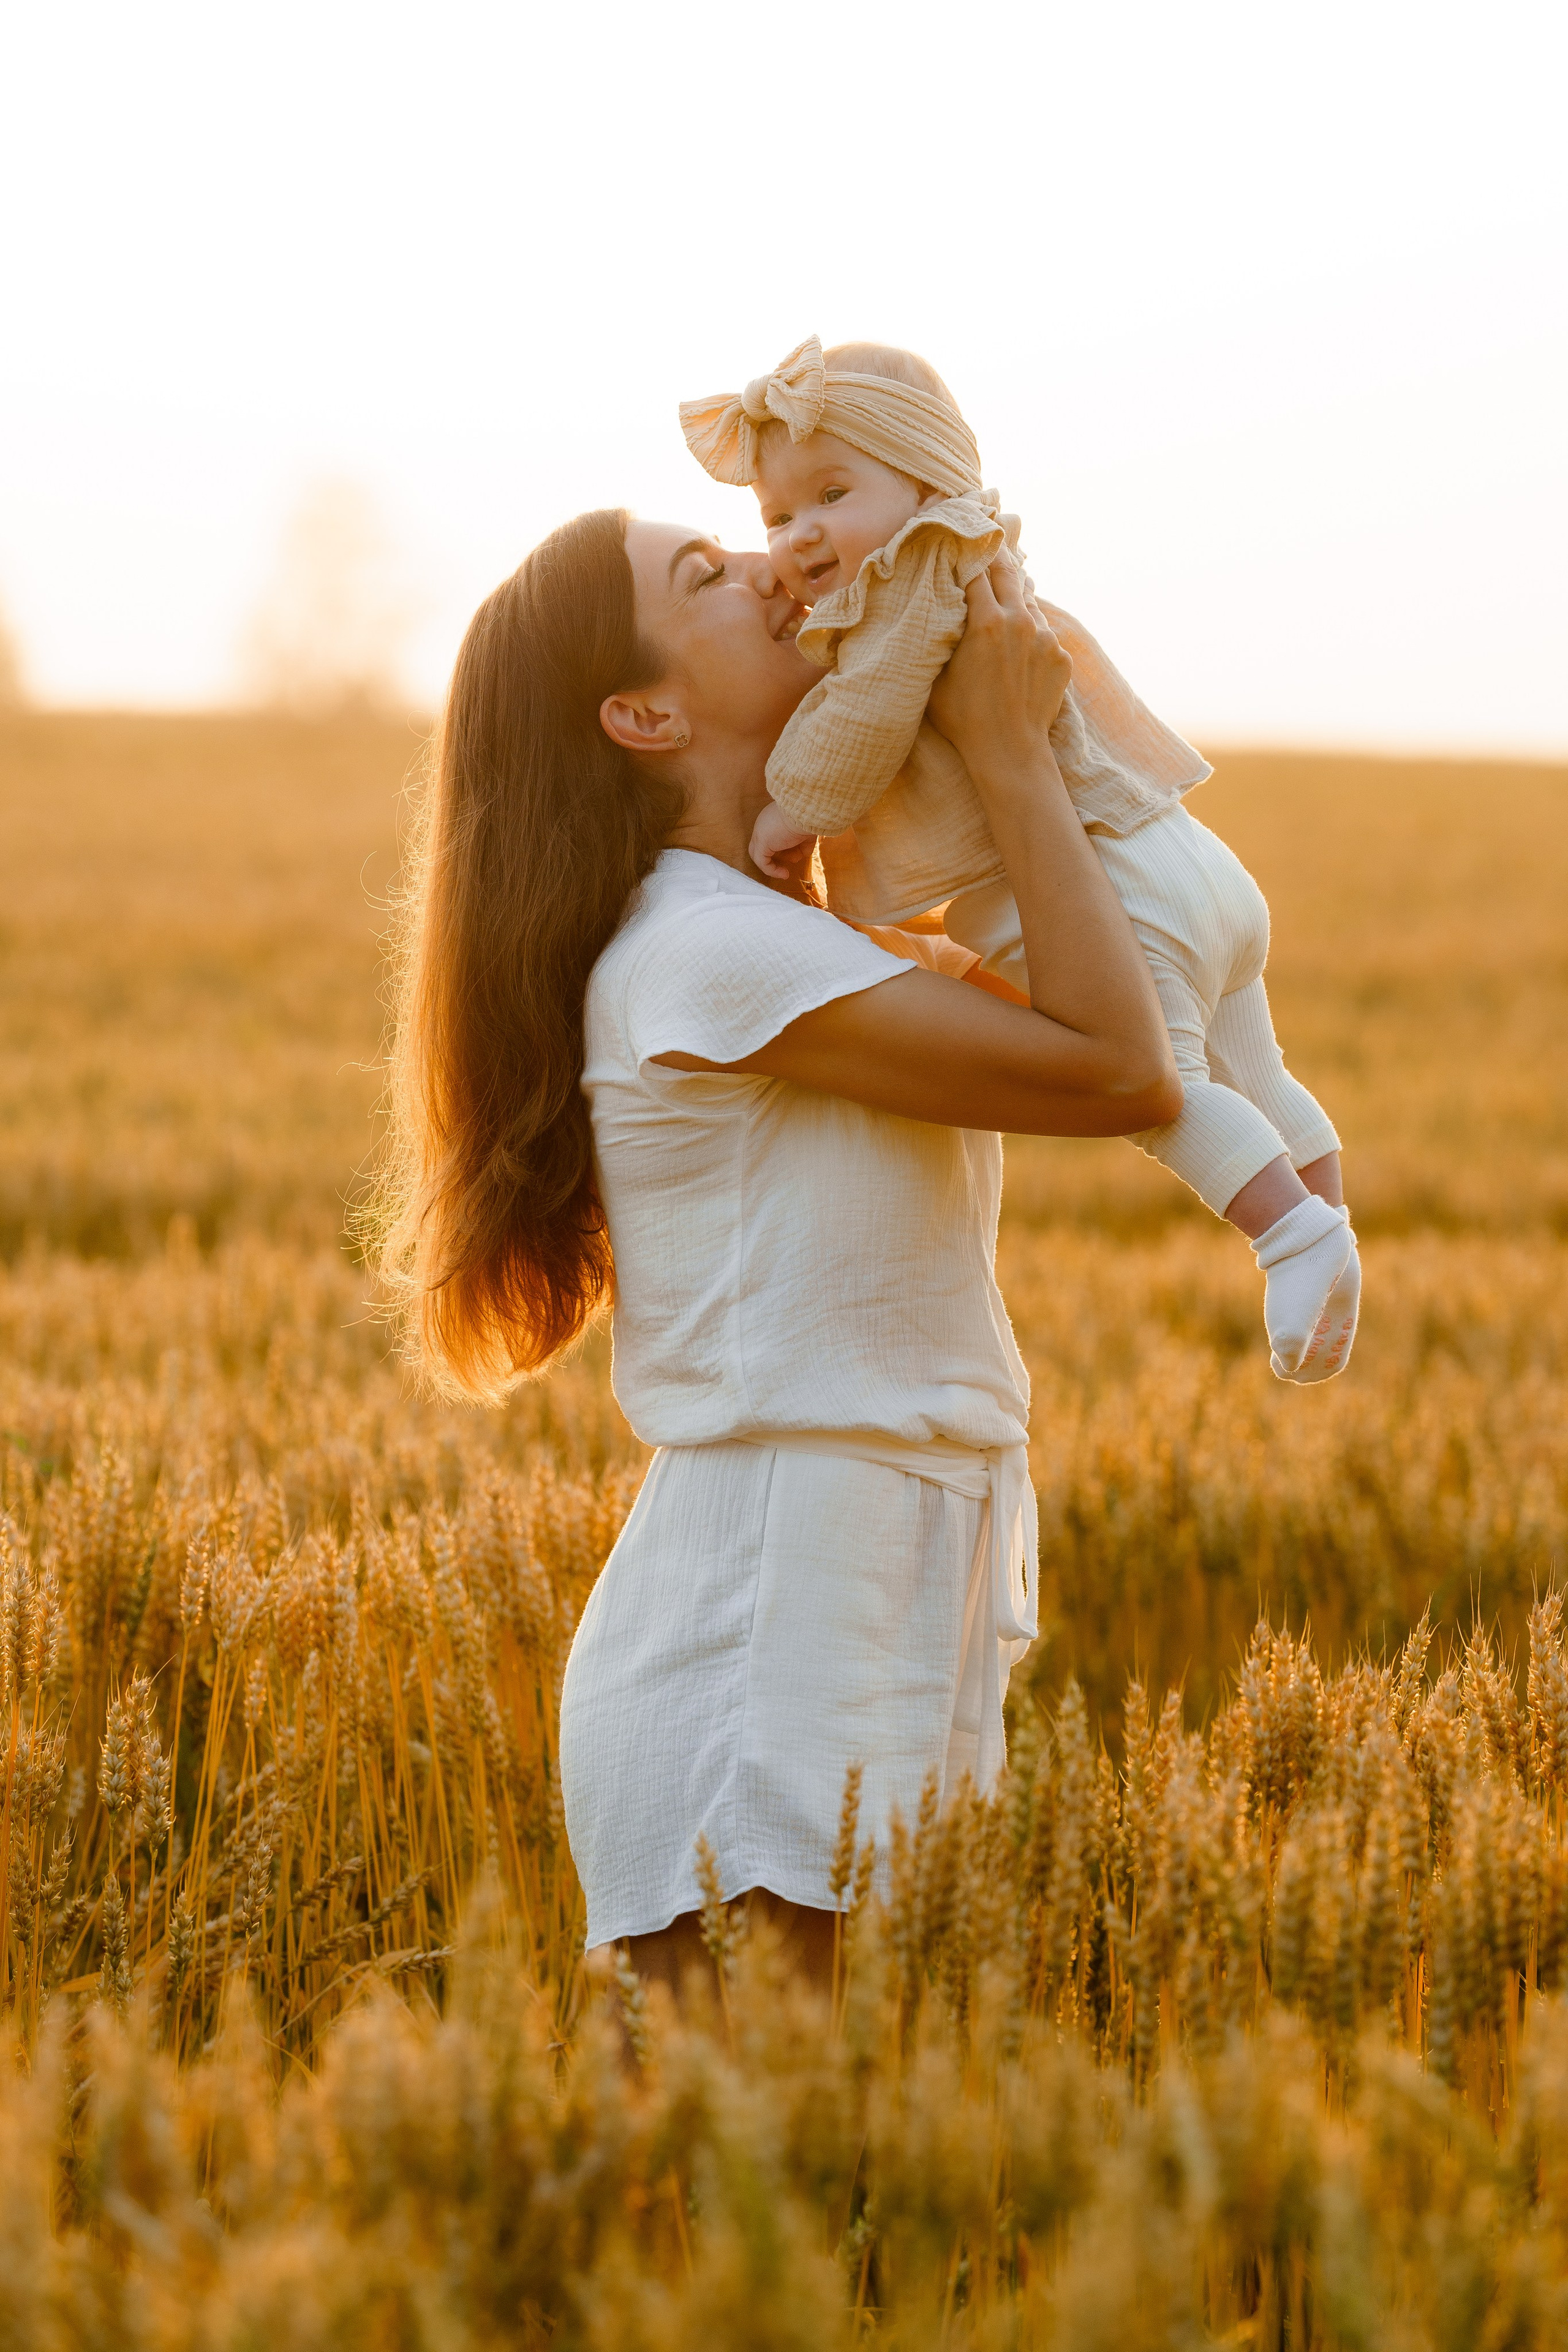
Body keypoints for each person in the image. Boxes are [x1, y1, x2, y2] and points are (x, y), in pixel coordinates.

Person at [373, 505, 1179, 1991]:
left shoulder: (773, 928)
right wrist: (1002, 745)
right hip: (773, 1607)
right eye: (706, 576)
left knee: (813, 2176)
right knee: (722, 2177)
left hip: (863, 1562)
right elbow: (1121, 1071)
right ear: (644, 712)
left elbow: (1146, 1014)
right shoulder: (704, 950)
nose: (768, 566)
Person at [680, 336, 1360, 1386]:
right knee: (1257, 1068)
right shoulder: (978, 554)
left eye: (832, 494)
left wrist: (791, 807)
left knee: (1171, 1085)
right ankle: (1330, 1207)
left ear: (928, 479)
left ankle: (1297, 1240)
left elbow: (861, 717)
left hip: (1108, 899)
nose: (801, 537)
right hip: (1185, 859)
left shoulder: (908, 590)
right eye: (778, 516)